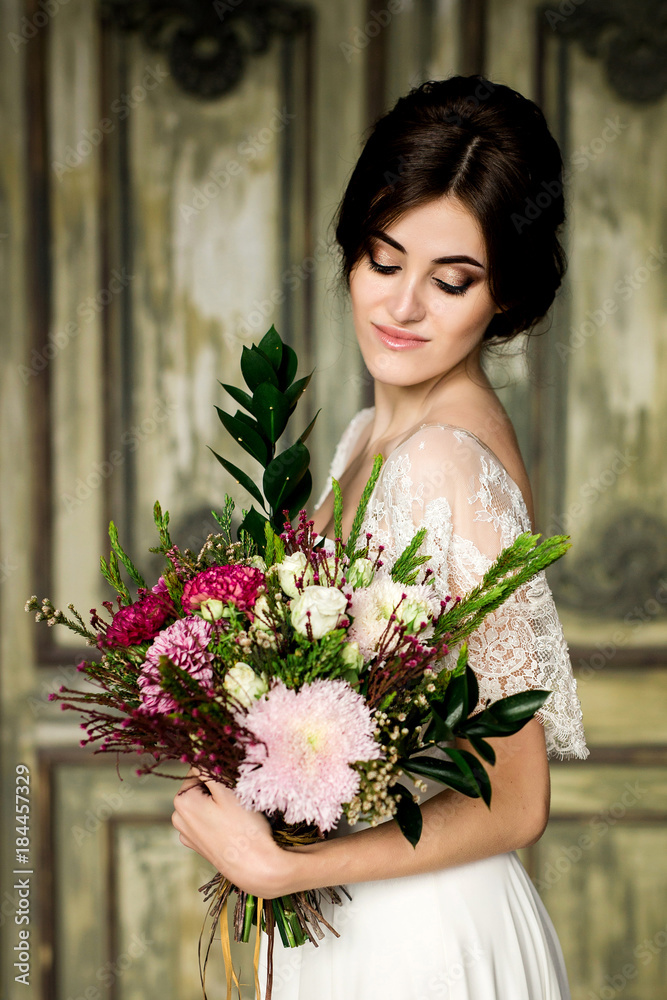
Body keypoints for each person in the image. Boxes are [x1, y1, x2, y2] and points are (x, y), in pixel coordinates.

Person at [172, 74, 589, 999]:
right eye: (382, 259)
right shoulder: (368, 436)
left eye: (451, 281)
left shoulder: (446, 459)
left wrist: (285, 868)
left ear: (506, 299)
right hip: (348, 913)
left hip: (424, 939)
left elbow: (518, 802)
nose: (401, 308)